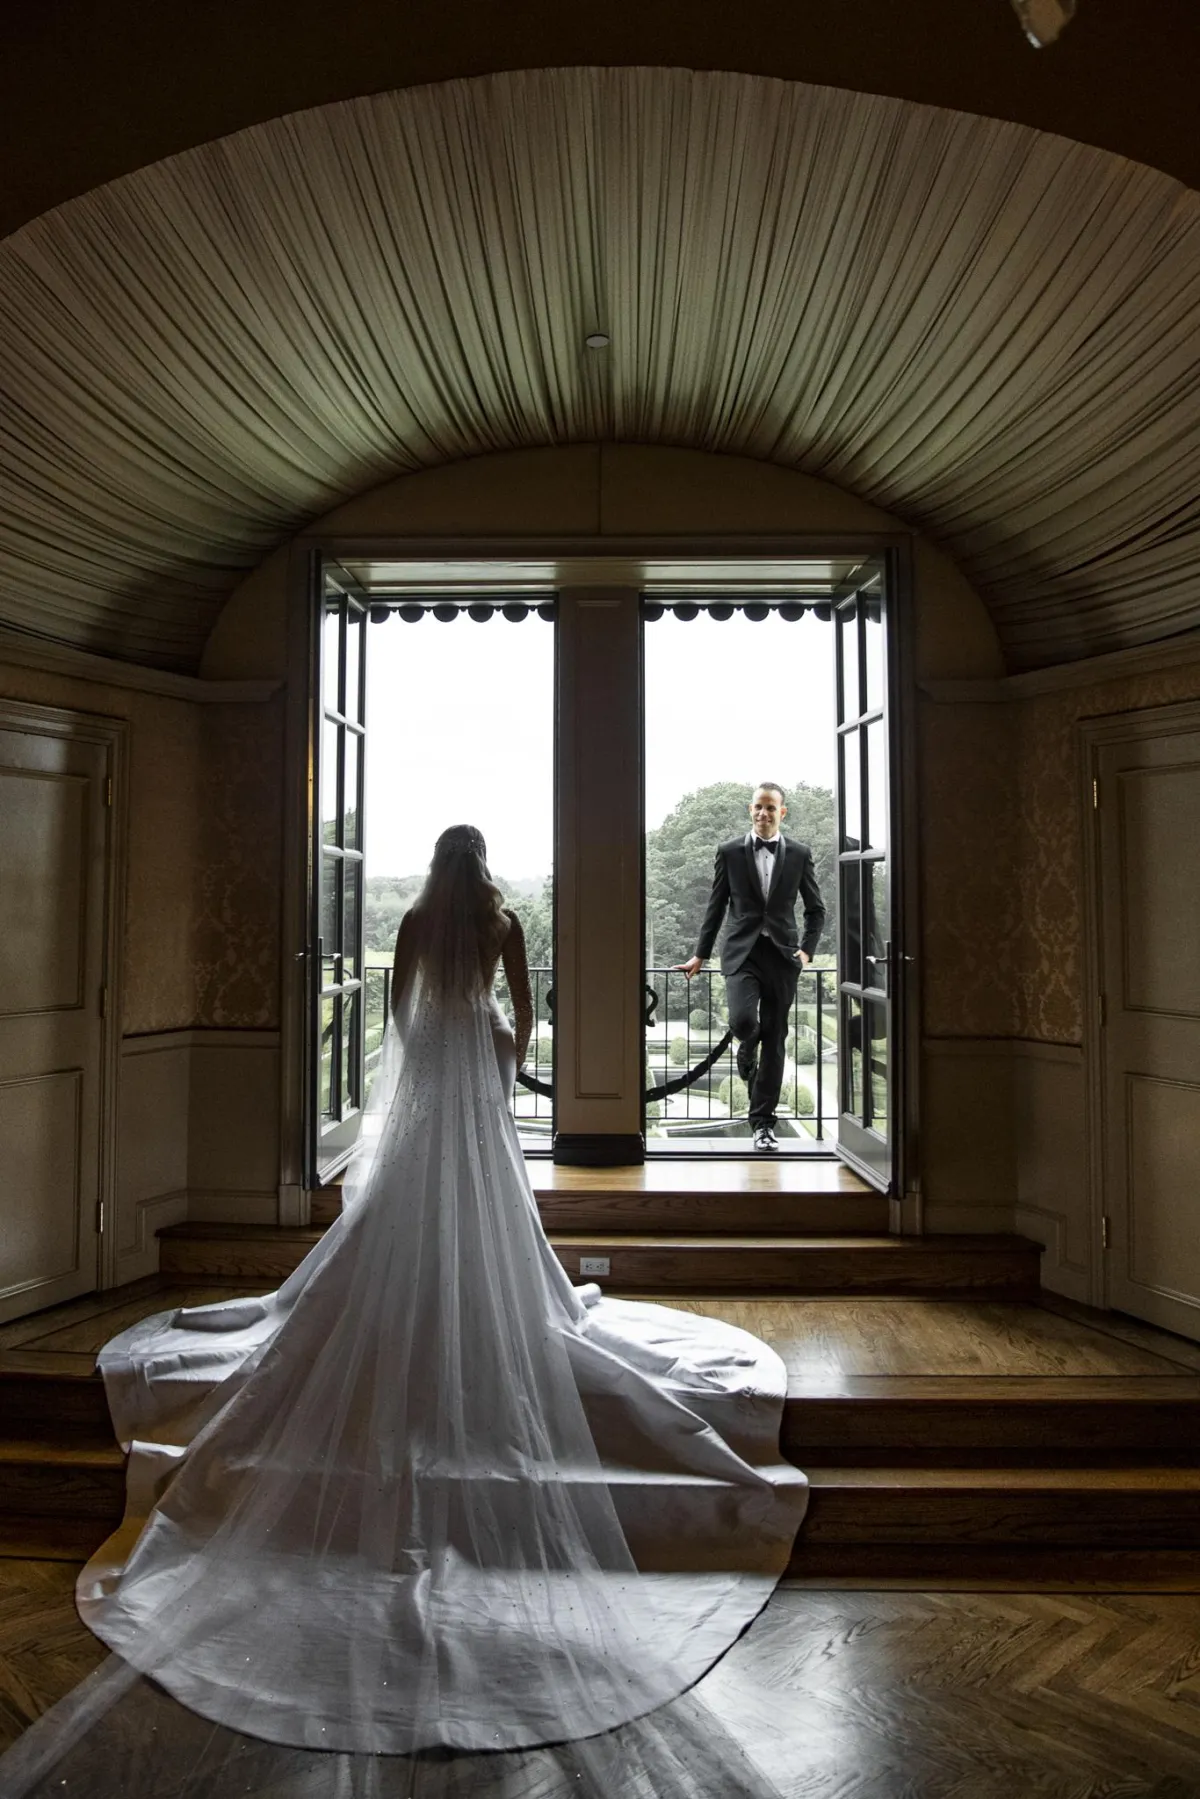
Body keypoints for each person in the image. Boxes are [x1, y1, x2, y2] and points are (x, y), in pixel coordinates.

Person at [3, 825, 806, 1799]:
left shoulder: (421, 918)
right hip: (477, 1048)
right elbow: (523, 1009)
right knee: (488, 1189)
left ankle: (409, 1285)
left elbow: (394, 1011)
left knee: (414, 1190)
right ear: (485, 866)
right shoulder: (502, 918)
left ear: (437, 864)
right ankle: (486, 1288)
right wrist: (502, 1042)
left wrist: (423, 1050)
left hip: (432, 1052)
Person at [677, 784, 826, 1152]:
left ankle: (762, 1124)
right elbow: (715, 907)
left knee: (776, 1041)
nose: (764, 814)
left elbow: (816, 909)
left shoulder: (799, 854)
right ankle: (747, 1045)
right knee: (744, 1021)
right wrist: (701, 954)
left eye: (770, 808)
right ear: (750, 810)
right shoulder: (728, 852)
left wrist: (806, 951)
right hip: (741, 955)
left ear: (782, 812)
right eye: (758, 807)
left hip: (782, 957)